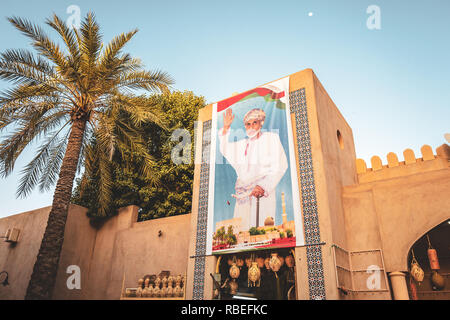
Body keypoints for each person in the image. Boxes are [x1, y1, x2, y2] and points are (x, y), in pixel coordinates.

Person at [218, 107, 288, 231]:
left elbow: (281, 164)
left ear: (261, 123)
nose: (251, 127)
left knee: (262, 230)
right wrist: (226, 128)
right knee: (240, 232)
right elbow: (224, 148)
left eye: (254, 123)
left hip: (261, 194)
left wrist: (263, 186)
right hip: (243, 196)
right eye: (247, 124)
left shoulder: (271, 138)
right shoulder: (242, 144)